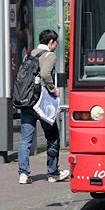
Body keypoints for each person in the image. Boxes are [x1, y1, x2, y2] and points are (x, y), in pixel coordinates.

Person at [18, 29, 70, 184]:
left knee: (25, 139)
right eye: (56, 43)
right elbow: (46, 74)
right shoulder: (49, 55)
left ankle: (23, 174)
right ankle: (52, 173)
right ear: (51, 42)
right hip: (42, 103)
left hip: (27, 101)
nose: (56, 46)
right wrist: (54, 89)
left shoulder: (31, 54)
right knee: (53, 136)